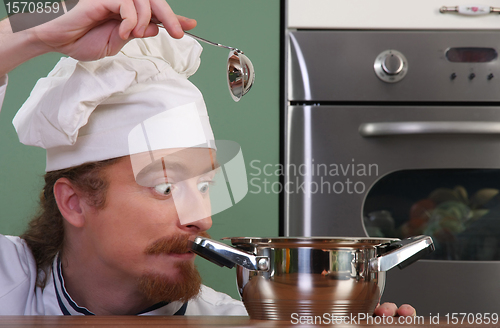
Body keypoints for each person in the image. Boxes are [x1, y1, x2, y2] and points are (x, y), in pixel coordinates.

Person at [0, 0, 415, 317]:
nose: (202, 218)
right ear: (74, 202)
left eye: (203, 186)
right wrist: (37, 28)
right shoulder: (9, 284)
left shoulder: (232, 320)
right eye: (165, 186)